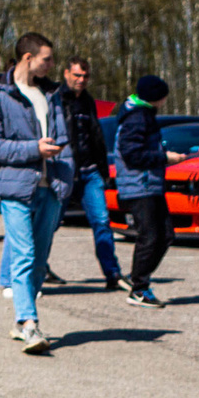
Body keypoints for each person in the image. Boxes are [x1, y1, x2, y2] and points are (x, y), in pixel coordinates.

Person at [0, 32, 72, 354]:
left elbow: (64, 140)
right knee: (24, 255)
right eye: (47, 59)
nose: (52, 65)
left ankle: (21, 323)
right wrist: (34, 149)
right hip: (16, 189)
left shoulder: (51, 95)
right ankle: (30, 324)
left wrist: (67, 177)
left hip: (51, 188)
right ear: (28, 58)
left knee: (40, 260)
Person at [56, 58, 125, 292]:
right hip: (65, 171)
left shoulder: (88, 101)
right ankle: (38, 268)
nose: (81, 80)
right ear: (66, 73)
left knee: (102, 222)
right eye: (77, 75)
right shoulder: (56, 100)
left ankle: (112, 273)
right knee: (49, 224)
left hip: (91, 172)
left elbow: (96, 137)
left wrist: (103, 170)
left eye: (85, 76)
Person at [112, 74, 181, 306]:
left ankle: (136, 277)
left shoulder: (142, 114)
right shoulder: (137, 117)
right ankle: (139, 289)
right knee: (150, 236)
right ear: (156, 97)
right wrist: (164, 157)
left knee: (165, 235)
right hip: (139, 186)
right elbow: (131, 154)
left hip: (150, 185)